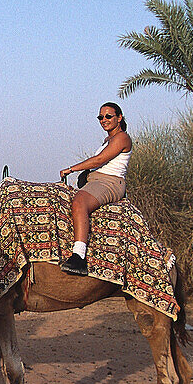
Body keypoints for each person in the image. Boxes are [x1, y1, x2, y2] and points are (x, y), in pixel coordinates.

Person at [58, 102, 132, 276]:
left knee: (79, 202)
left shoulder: (122, 138)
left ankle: (79, 257)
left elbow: (99, 160)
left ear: (119, 118)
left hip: (110, 182)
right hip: (97, 180)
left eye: (108, 116)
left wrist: (71, 169)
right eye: (100, 117)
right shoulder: (108, 140)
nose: (103, 120)